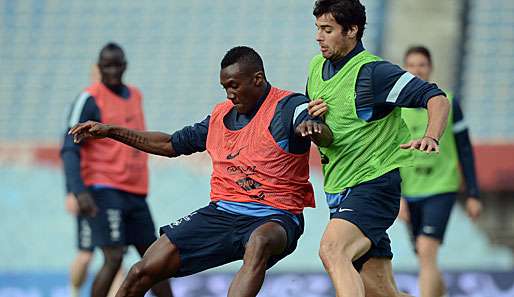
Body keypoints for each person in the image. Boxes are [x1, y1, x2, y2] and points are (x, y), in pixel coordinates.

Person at [69, 46, 332, 297]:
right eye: (225, 87)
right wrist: (111, 131)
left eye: (234, 86)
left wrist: (312, 127)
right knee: (141, 270)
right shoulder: (219, 117)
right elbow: (169, 144)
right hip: (222, 212)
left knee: (259, 242)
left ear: (257, 79)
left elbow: (307, 120)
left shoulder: (289, 106)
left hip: (276, 216)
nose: (229, 94)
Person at [305, 1, 451, 296]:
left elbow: (436, 97)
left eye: (328, 29)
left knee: (332, 250)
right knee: (380, 291)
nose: (319, 37)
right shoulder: (316, 67)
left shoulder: (374, 73)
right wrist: (312, 121)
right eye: (318, 29)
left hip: (373, 185)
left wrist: (431, 136)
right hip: (339, 189)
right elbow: (328, 135)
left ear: (352, 31)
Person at [60, 43, 173, 297]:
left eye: (116, 64)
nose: (112, 70)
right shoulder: (89, 99)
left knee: (156, 257)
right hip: (103, 189)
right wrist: (78, 191)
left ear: (125, 66)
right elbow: (69, 148)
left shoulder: (135, 95)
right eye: (106, 65)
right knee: (113, 256)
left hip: (135, 191)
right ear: (99, 68)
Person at [398, 45, 482, 297]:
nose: (416, 70)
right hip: (409, 191)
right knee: (425, 257)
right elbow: (389, 155)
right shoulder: (396, 108)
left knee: (426, 249)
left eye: (421, 64)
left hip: (441, 187)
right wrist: (396, 196)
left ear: (430, 67)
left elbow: (464, 148)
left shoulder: (447, 101)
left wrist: (474, 194)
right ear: (404, 69)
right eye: (411, 65)